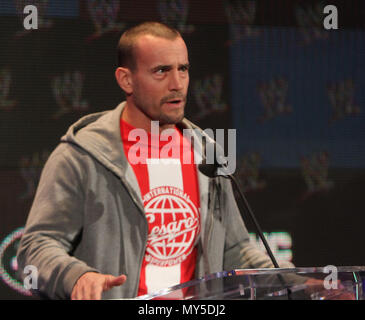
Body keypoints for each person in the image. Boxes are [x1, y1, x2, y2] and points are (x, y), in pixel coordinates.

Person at [17, 21, 304, 300]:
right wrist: (77, 276)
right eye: (161, 71)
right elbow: (36, 245)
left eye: (183, 69)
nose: (177, 84)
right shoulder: (82, 156)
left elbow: (236, 248)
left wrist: (302, 285)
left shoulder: (209, 153)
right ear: (126, 80)